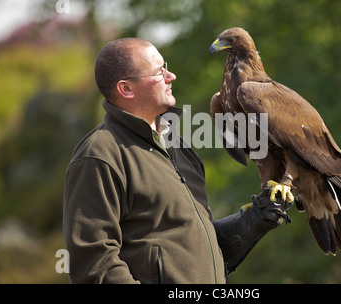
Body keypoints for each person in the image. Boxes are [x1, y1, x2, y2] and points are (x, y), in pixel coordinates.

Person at [63, 37, 288, 284]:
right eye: (159, 73)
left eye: (166, 67)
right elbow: (94, 266)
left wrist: (251, 223)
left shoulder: (177, 145)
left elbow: (192, 247)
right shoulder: (99, 156)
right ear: (126, 89)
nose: (171, 77)